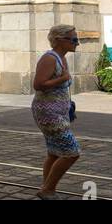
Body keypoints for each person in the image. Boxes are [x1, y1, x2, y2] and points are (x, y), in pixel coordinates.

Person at [32, 23, 82, 199]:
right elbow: (38, 84)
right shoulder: (50, 58)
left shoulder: (62, 57)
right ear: (60, 40)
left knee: (54, 152)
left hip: (58, 112)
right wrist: (63, 78)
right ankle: (47, 189)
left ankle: (47, 189)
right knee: (71, 152)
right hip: (48, 113)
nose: (77, 43)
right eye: (74, 39)